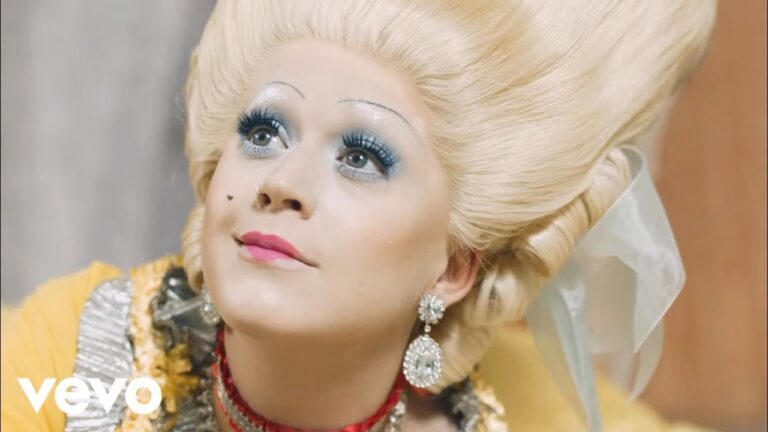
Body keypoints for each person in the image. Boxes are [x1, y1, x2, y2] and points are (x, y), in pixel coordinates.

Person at [1, 1, 717, 431]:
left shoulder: (532, 410)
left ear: (453, 267)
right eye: (263, 132)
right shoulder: (71, 360)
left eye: (361, 157)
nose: (281, 183)